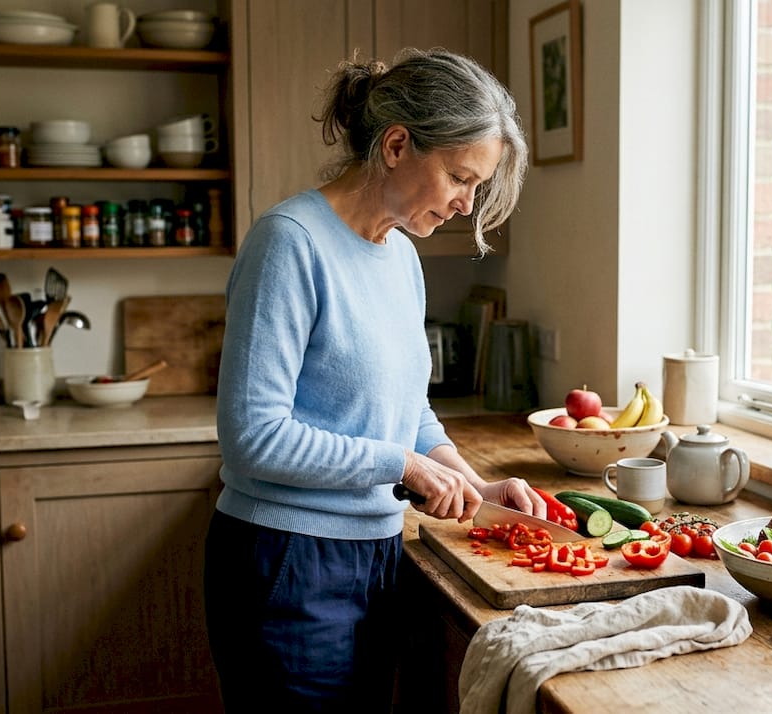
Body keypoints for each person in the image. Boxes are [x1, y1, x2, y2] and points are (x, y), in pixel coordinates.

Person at [204, 47, 540, 712]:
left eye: (476, 187)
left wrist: (475, 487)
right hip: (289, 563)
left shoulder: (403, 258)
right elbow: (253, 437)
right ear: (396, 146)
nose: (465, 203)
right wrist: (405, 467)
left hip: (376, 556)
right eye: (459, 177)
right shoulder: (289, 242)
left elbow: (407, 412)